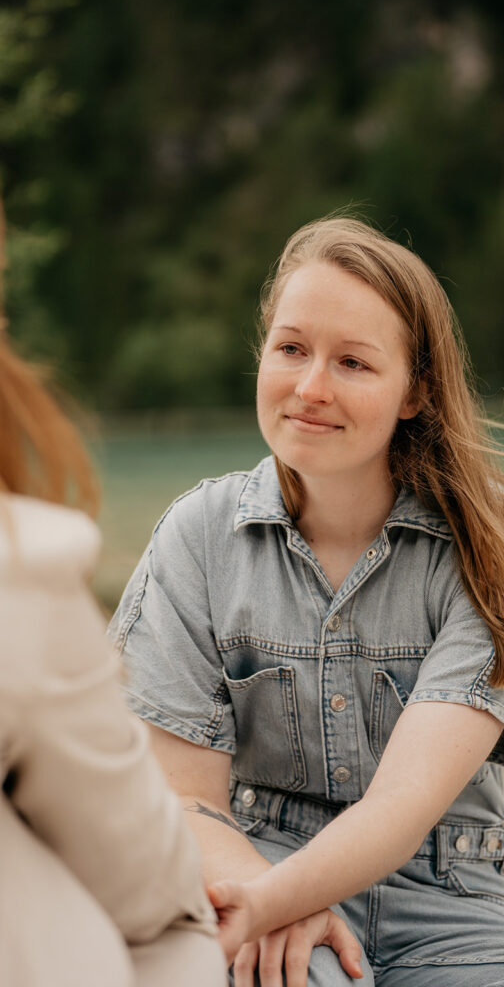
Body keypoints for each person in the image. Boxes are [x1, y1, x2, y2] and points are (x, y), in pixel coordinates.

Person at [110, 215, 504, 987]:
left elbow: (402, 805)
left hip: (449, 912)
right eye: (291, 349)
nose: (310, 387)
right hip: (258, 868)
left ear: (415, 391)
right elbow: (185, 798)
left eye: (352, 363)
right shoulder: (198, 535)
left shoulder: (491, 545)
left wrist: (274, 901)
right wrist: (268, 902)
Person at [0, 199, 226, 987]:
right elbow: (150, 887)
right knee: (179, 941)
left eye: (353, 362)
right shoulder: (24, 573)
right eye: (290, 348)